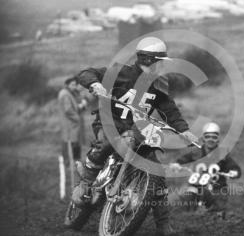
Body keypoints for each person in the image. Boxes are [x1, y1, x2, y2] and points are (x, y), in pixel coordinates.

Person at [71, 37, 197, 236]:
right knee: (105, 143)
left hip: (136, 131)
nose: (162, 65)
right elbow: (86, 73)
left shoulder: (160, 84)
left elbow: (169, 109)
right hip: (109, 122)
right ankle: (86, 182)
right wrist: (94, 84)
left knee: (158, 173)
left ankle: (163, 225)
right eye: (159, 61)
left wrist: (184, 129)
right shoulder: (120, 73)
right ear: (147, 60)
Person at [170, 122, 241, 218]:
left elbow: (232, 165)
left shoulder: (222, 153)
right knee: (184, 199)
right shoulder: (196, 152)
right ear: (203, 138)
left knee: (218, 212)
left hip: (217, 189)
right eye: (208, 136)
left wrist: (234, 172)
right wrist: (177, 164)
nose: (211, 139)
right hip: (196, 187)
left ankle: (213, 215)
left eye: (214, 137)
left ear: (218, 139)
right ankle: (186, 218)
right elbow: (183, 159)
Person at [58, 77, 87, 165]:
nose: (74, 87)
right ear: (67, 85)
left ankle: (72, 162)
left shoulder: (68, 93)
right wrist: (77, 117)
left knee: (71, 142)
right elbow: (68, 110)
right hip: (70, 123)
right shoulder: (66, 94)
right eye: (72, 85)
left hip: (69, 123)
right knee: (71, 143)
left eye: (75, 84)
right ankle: (70, 163)